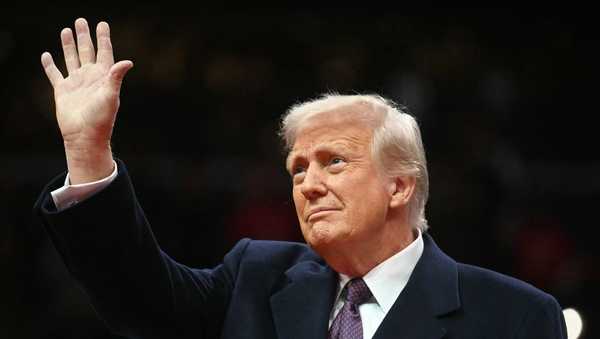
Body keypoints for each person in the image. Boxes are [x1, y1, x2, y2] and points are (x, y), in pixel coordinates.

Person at [36, 18, 567, 339]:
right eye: (297, 168)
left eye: (334, 161)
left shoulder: (514, 316)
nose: (307, 184)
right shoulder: (255, 276)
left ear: (400, 186)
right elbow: (138, 300)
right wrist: (88, 151)